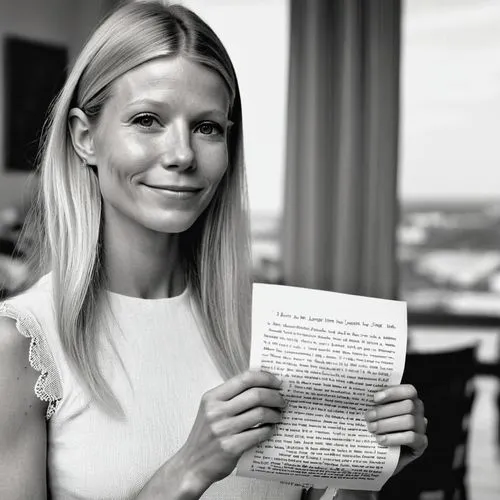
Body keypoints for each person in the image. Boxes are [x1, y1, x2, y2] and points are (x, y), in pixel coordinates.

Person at [0, 1, 428, 499]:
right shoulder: (22, 347)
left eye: (207, 127)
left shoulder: (271, 332)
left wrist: (365, 471)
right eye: (147, 120)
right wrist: (188, 469)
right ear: (84, 137)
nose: (182, 154)